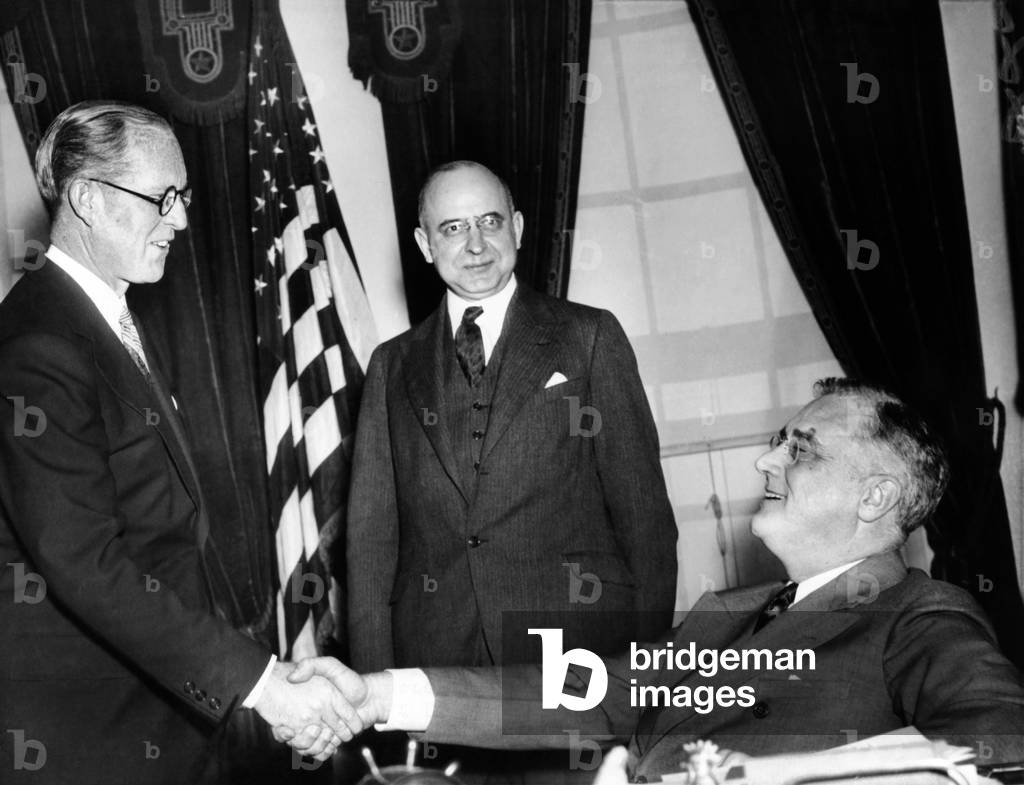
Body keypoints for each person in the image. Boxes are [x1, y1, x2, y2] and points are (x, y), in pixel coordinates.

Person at [292, 378, 1024, 777]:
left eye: (799, 449)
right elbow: (583, 690)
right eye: (775, 445)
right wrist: (379, 694)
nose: (767, 463)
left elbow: (1002, 744)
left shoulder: (918, 612)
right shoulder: (734, 615)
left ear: (875, 496)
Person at [0, 101, 358, 785]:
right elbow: (86, 563)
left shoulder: (103, 321)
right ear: (87, 199)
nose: (182, 220)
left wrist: (256, 678)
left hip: (155, 722)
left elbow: (159, 540)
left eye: (184, 198)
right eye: (164, 198)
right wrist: (266, 688)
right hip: (85, 742)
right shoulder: (38, 344)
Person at [346, 160, 677, 673]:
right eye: (452, 228)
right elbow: (371, 545)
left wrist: (647, 670)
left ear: (517, 228)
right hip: (440, 665)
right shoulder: (391, 367)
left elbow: (646, 522)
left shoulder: (589, 337)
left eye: (490, 222)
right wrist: (376, 695)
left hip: (579, 652)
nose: (475, 245)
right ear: (424, 244)